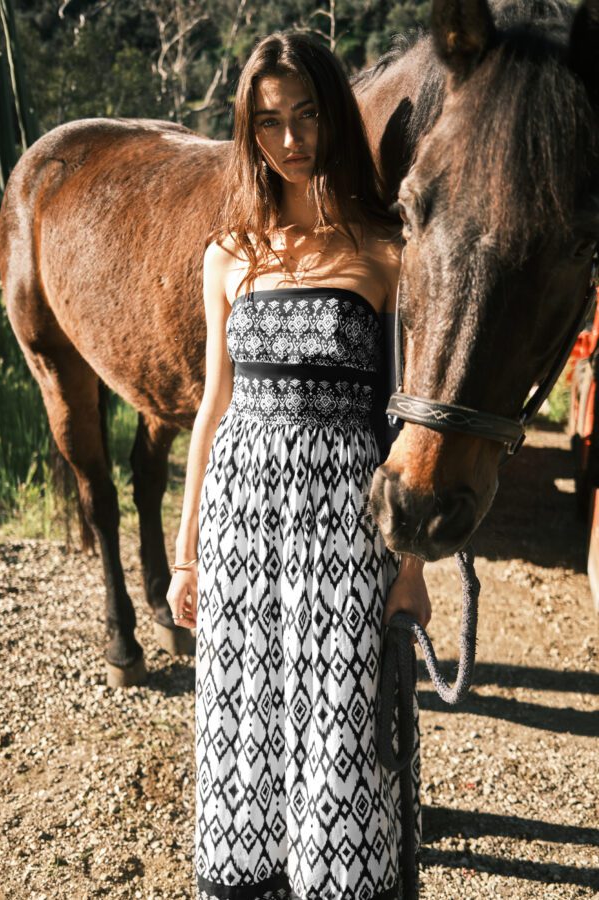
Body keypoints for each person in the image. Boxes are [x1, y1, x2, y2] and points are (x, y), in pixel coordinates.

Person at [167, 28, 431, 900]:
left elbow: (404, 422)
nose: (289, 140)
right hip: (241, 517)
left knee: (342, 724)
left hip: (343, 522)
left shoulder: (385, 251)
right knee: (242, 719)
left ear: (333, 117)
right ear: (249, 132)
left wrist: (414, 566)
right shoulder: (228, 255)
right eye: (269, 122)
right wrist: (186, 551)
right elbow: (213, 409)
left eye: (306, 115)